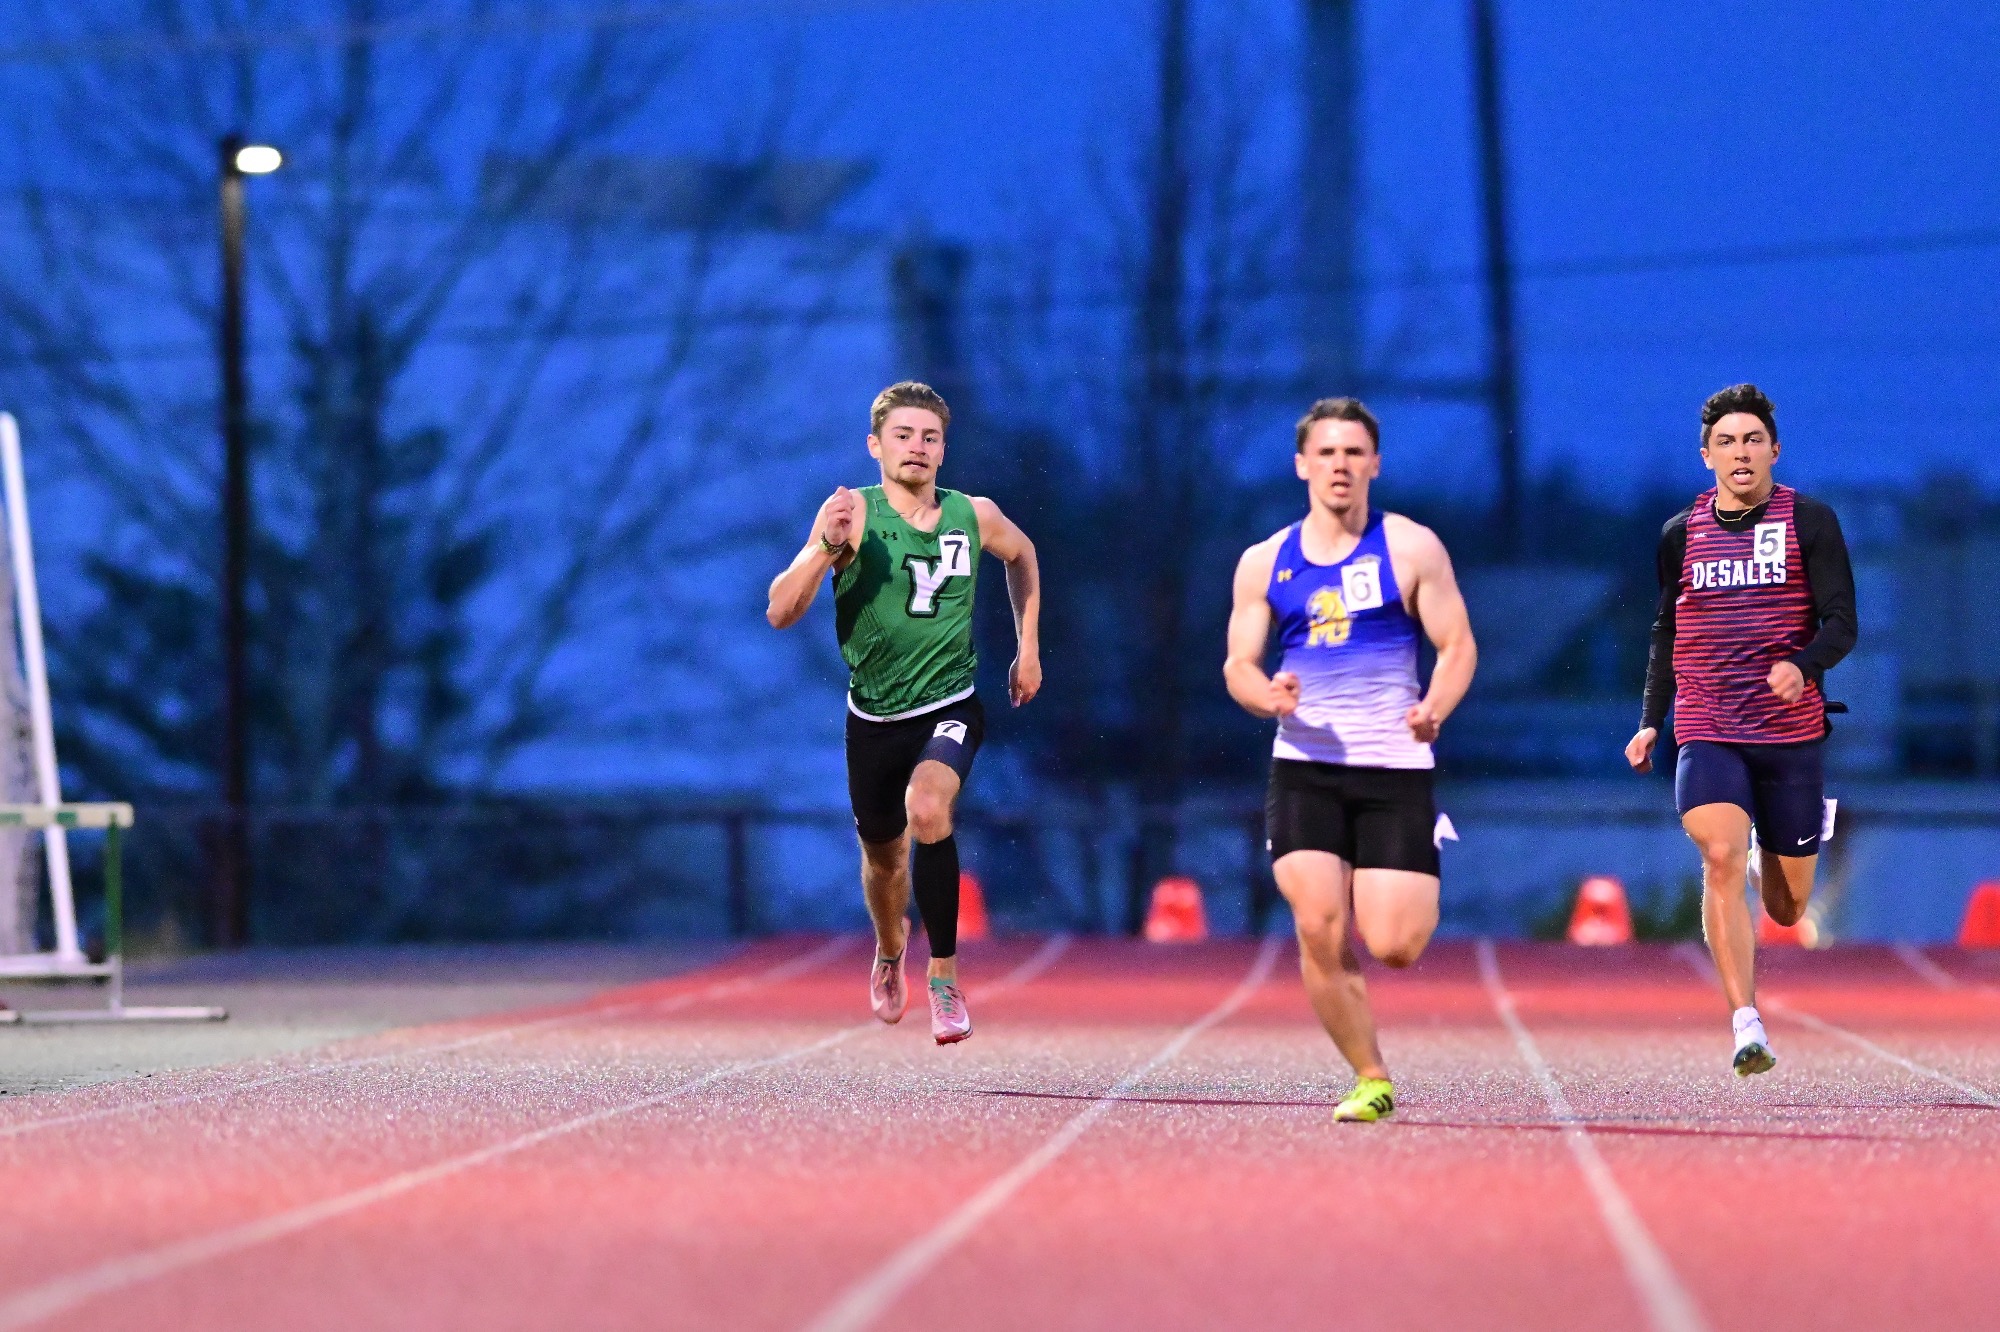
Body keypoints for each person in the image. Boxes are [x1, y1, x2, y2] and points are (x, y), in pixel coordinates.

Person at [1224, 398, 1477, 1121]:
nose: (1340, 465)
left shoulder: (1411, 548)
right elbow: (1238, 664)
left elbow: (1457, 646)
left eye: (1353, 453)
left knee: (1395, 944)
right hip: (1304, 766)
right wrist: (1267, 697)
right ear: (1302, 465)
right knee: (1318, 923)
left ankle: (1419, 851)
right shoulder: (1265, 561)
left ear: (1375, 464)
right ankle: (1371, 1076)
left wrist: (1434, 706)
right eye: (1327, 453)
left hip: (1394, 766)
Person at [766, 381, 1041, 1044]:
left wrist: (1028, 648)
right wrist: (822, 549)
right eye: (903, 435)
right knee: (885, 862)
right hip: (873, 719)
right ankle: (891, 949)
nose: (917, 447)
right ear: (875, 445)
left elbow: (1023, 555)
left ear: (944, 449)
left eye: (929, 437)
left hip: (950, 703)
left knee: (929, 808)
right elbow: (779, 611)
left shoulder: (974, 514)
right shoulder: (851, 514)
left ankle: (944, 977)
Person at [1625, 383, 1857, 1076]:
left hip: (1790, 734)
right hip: (1708, 725)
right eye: (1726, 442)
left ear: (1774, 450)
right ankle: (1746, 1023)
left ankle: (1772, 851)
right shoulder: (1680, 533)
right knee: (1719, 856)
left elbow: (1842, 623)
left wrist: (1803, 666)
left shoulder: (1810, 521)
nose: (1741, 452)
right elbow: (1666, 630)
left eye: (1753, 439)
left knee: (1786, 908)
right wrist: (1650, 721)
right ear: (1707, 456)